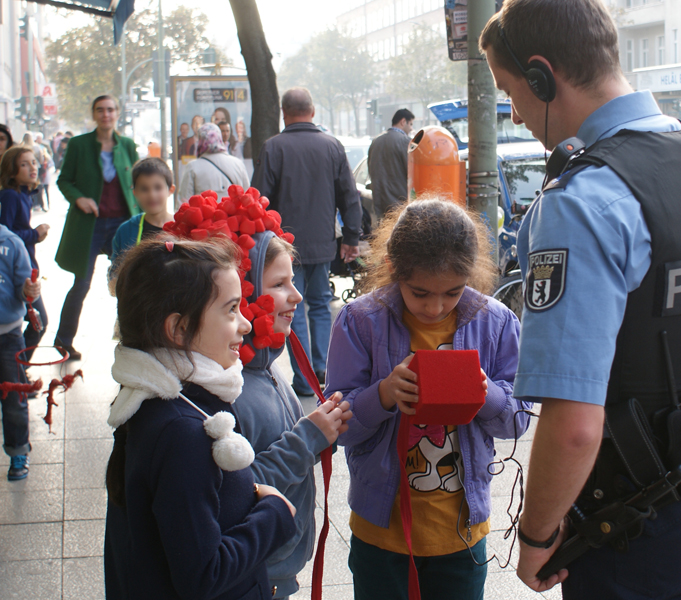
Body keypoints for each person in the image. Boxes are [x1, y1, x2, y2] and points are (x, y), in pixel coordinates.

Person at [479, 1, 681, 597]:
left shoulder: (581, 203)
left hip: (643, 530)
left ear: (541, 75)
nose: (515, 111)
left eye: (511, 91)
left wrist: (536, 538)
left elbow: (576, 425)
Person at [325, 198, 530, 600]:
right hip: (380, 531)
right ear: (394, 269)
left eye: (452, 293)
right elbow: (336, 427)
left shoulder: (496, 322)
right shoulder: (360, 321)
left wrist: (484, 394)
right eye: (420, 293)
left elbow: (519, 418)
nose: (435, 308)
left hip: (460, 534)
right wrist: (382, 395)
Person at [104, 236, 297, 599]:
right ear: (178, 329)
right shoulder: (184, 433)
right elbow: (203, 575)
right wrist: (275, 514)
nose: (245, 324)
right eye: (230, 309)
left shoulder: (163, 402)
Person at [232, 226, 353, 599]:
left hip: (275, 566)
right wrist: (308, 438)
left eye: (294, 281)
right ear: (245, 291)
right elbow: (237, 490)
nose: (296, 295)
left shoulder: (265, 368)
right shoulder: (228, 388)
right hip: (254, 573)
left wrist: (325, 432)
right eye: (280, 284)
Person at [252, 87, 362, 396]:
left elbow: (259, 199)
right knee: (320, 305)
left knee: (291, 308)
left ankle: (304, 379)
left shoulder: (273, 148)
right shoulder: (332, 146)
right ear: (312, 112)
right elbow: (349, 196)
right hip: (323, 244)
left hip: (284, 249)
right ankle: (323, 368)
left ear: (284, 114)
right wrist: (351, 237)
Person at [54, 94, 140, 361]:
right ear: (94, 114)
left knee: (132, 282)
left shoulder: (126, 144)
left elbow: (140, 178)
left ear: (117, 113)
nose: (106, 114)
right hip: (90, 225)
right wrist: (79, 198)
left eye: (111, 110)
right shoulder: (79, 145)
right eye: (100, 110)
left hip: (122, 224)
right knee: (81, 284)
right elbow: (64, 180)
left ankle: (137, 339)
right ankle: (63, 342)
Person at [0, 204, 40, 480]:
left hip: (9, 334)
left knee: (14, 398)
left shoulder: (11, 242)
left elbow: (24, 288)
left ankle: (18, 452)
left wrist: (30, 290)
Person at [0, 145, 50, 359]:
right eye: (24, 164)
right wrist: (34, 234)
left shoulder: (23, 195)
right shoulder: (11, 196)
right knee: (40, 322)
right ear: (12, 171)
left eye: (33, 162)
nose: (32, 167)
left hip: (24, 269)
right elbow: (6, 235)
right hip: (16, 274)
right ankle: (18, 369)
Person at [109, 158, 175, 283]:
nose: (152, 195)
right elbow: (116, 272)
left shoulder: (183, 228)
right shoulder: (126, 231)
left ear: (170, 190)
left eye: (158, 187)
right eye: (144, 189)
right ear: (135, 193)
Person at [179, 123, 249, 203]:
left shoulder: (192, 167)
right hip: (234, 215)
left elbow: (184, 202)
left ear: (200, 141)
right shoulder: (238, 164)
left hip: (205, 215)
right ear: (219, 139)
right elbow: (247, 198)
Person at [368, 108, 415, 219]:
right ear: (403, 122)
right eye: (411, 124)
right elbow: (412, 173)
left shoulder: (376, 141)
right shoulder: (405, 142)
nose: (411, 128)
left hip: (379, 205)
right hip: (399, 207)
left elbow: (370, 169)